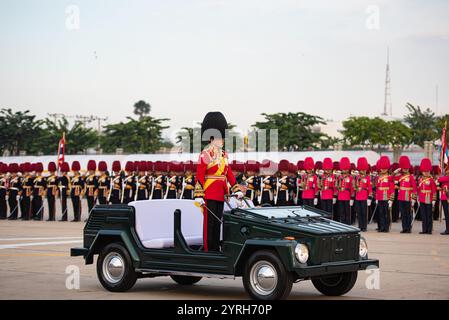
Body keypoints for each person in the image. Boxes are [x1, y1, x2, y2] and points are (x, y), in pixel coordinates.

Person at [194, 112, 243, 252]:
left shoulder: (224, 155)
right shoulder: (205, 154)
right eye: (219, 138)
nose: (222, 140)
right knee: (209, 225)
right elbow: (200, 175)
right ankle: (209, 250)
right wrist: (199, 194)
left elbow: (228, 173)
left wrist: (236, 189)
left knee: (217, 223)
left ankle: (216, 248)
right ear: (211, 139)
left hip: (221, 192)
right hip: (209, 192)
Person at [394, 156, 416, 233]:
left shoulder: (411, 177)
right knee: (403, 213)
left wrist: (413, 198)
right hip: (401, 197)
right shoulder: (400, 176)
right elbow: (390, 179)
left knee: (408, 213)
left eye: (406, 168)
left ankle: (408, 228)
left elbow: (414, 188)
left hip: (408, 197)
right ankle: (404, 228)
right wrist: (395, 172)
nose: (405, 169)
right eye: (404, 168)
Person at [417, 158, 437, 234]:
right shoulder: (420, 180)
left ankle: (429, 230)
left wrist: (434, 200)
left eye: (427, 171)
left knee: (429, 215)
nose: (426, 173)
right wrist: (418, 198)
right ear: (422, 171)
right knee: (423, 215)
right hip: (422, 198)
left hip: (429, 198)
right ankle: (424, 229)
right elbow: (419, 189)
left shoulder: (431, 180)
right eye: (424, 171)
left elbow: (434, 191)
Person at [375, 156, 394, 232]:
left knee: (386, 213)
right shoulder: (379, 178)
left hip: (386, 197)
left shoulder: (389, 177)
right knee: (381, 213)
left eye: (385, 168)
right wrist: (376, 198)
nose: (383, 170)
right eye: (382, 168)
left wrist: (391, 199)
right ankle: (382, 227)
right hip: (380, 197)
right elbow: (377, 188)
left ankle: (386, 227)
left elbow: (392, 188)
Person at [354, 157, 372, 231]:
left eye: (364, 170)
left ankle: (364, 227)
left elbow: (370, 187)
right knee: (359, 213)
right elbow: (354, 187)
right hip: (358, 197)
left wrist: (369, 197)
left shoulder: (368, 178)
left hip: (364, 197)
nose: (363, 171)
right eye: (361, 169)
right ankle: (360, 226)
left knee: (364, 213)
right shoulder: (357, 177)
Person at [438, 164, 449, 235]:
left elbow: (440, 179)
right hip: (444, 197)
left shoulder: (447, 177)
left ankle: (448, 230)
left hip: (447, 198)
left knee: (447, 215)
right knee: (446, 214)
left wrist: (442, 175)